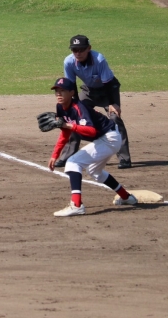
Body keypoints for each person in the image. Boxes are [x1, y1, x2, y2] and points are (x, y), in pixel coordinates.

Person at [47, 77, 137, 217]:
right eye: (56, 91)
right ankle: (126, 197)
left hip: (110, 138)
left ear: (72, 92)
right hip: (105, 138)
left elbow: (91, 131)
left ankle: (76, 205)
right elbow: (65, 132)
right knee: (95, 171)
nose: (58, 93)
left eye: (62, 90)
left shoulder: (79, 107)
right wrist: (55, 155)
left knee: (73, 162)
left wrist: (69, 125)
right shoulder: (60, 107)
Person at [54, 35, 132, 169]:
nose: (78, 53)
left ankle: (125, 159)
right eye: (74, 50)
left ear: (89, 48)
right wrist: (75, 106)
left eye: (81, 49)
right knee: (74, 118)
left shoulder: (99, 59)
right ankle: (67, 156)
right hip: (88, 91)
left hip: (108, 90)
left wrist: (112, 103)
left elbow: (108, 83)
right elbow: (71, 85)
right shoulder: (69, 61)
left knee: (115, 118)